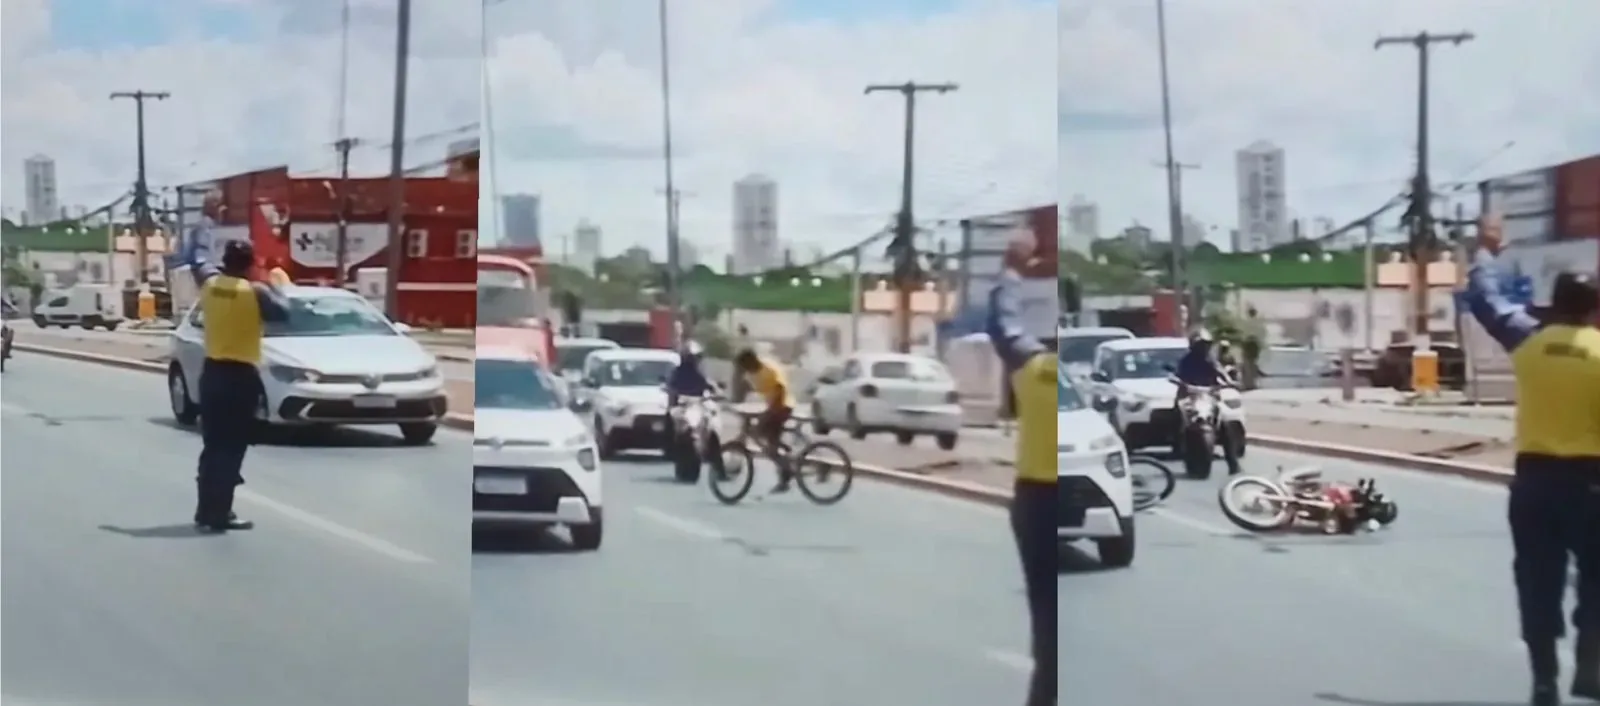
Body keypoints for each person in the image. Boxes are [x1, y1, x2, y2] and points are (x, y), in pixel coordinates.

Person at [1459, 214, 1600, 706]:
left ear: (1552, 305)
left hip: (1535, 485)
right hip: (1591, 485)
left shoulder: (1528, 340)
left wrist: (1486, 250)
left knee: (1538, 584)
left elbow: (1485, 299)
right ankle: (1590, 661)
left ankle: (1543, 680)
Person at [182, 219, 291, 533]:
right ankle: (220, 512)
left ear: (225, 261)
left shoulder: (210, 284)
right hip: (239, 378)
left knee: (213, 445)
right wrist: (269, 281)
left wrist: (201, 230)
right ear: (250, 264)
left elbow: (198, 262)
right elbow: (283, 313)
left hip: (212, 374)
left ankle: (205, 510)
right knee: (231, 448)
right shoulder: (256, 292)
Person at [987, 231, 1056, 706]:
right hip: (1065, 497)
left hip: (1036, 502)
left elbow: (1003, 322)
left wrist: (1013, 267)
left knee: (1048, 626)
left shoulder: (1040, 371)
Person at [732, 348, 796, 493]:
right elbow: (745, 389)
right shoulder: (752, 373)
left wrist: (769, 413)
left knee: (760, 434)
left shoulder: (768, 369)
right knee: (767, 440)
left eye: (743, 367)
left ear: (750, 362)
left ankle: (785, 466)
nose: (743, 371)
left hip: (783, 406)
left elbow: (780, 390)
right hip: (772, 407)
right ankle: (784, 464)